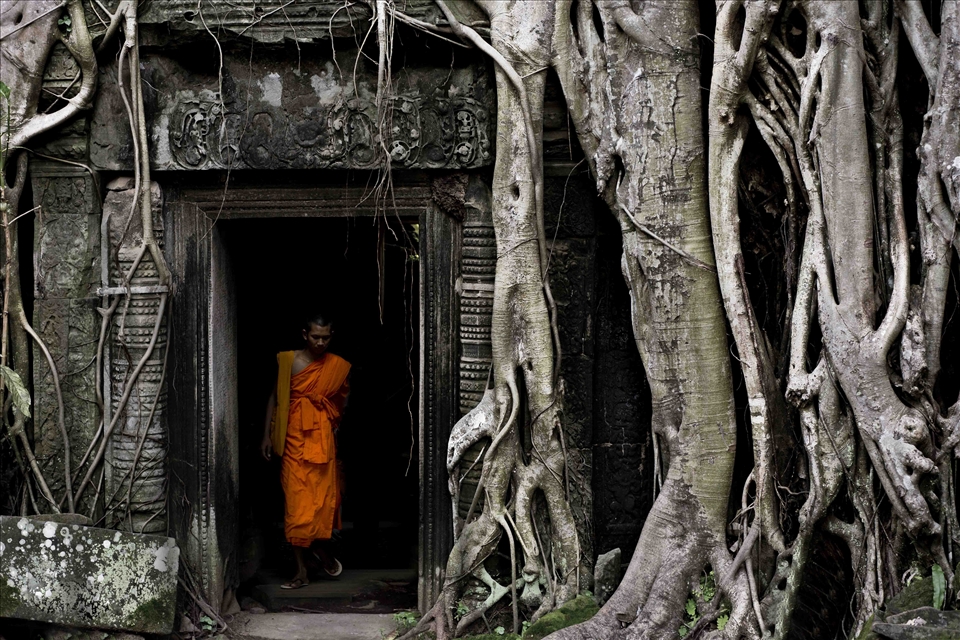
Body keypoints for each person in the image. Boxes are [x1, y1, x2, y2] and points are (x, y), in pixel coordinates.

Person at [261, 313, 351, 589]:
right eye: (315, 337)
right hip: (293, 440)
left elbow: (341, 403)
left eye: (325, 338)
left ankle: (320, 548)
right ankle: (301, 571)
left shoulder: (337, 366)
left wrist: (332, 425)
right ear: (304, 334)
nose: (320, 343)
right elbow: (276, 397)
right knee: (297, 504)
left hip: (322, 441)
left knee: (322, 502)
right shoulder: (288, 361)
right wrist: (266, 435)